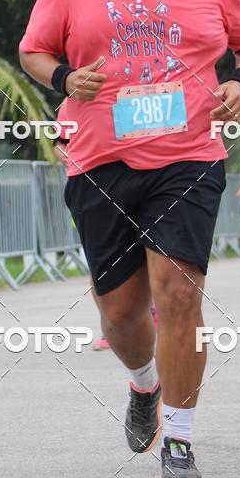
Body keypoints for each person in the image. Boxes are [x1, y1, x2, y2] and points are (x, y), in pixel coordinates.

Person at [19, 0, 240, 478]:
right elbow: (32, 49)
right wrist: (64, 78)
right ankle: (143, 384)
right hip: (99, 157)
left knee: (179, 292)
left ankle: (180, 441)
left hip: (187, 155)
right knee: (122, 315)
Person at [52, 104, 158, 351]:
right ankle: (112, 326)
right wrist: (78, 158)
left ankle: (152, 313)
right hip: (92, 191)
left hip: (140, 185)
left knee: (149, 256)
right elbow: (59, 144)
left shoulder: (130, 92)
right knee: (98, 268)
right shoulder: (71, 101)